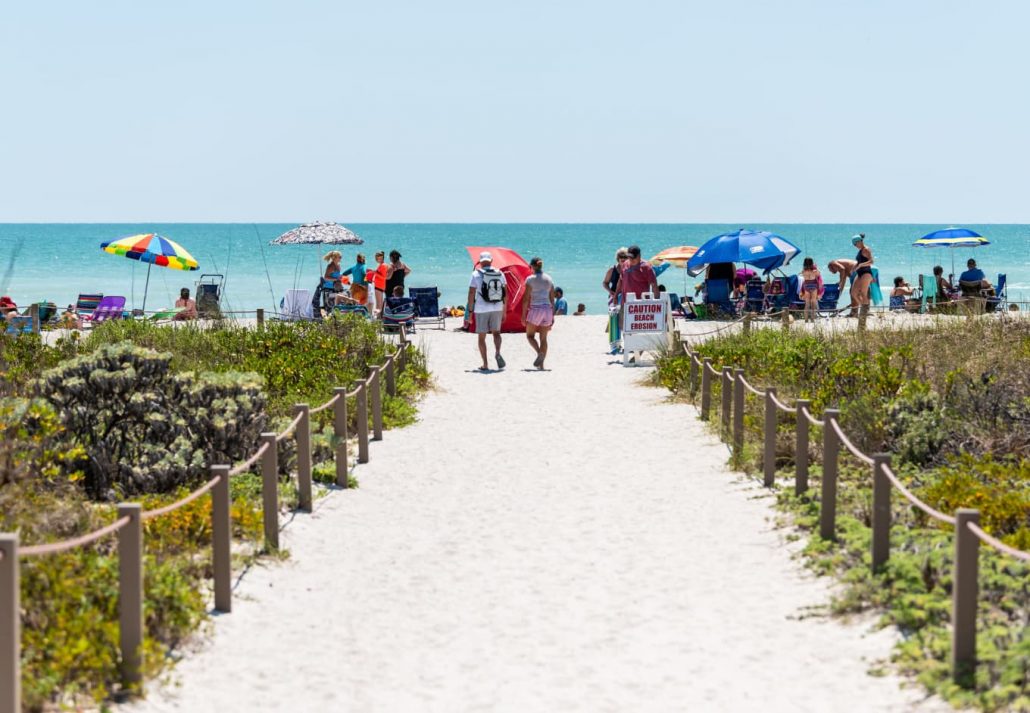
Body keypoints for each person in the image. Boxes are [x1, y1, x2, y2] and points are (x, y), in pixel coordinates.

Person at [467, 251, 508, 371]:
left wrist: (470, 312)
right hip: (497, 307)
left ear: (480, 262)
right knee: (496, 333)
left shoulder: (475, 274)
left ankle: (485, 364)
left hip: (481, 308)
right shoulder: (500, 273)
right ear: (491, 261)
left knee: (481, 337)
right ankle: (497, 352)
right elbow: (505, 293)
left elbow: (471, 293)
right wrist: (504, 310)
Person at [521, 256, 556, 369]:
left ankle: (539, 353)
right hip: (547, 310)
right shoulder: (549, 279)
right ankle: (541, 365)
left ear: (533, 266)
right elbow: (552, 298)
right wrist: (552, 315)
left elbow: (526, 299)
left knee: (530, 336)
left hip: (536, 309)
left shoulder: (530, 279)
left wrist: (523, 315)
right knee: (543, 339)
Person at [850, 234, 874, 318]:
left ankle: (865, 311)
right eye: (854, 245)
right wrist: (855, 266)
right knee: (854, 293)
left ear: (860, 241)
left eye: (855, 244)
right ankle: (864, 308)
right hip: (859, 273)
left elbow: (871, 261)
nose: (855, 246)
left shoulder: (866, 249)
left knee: (863, 293)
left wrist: (861, 265)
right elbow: (859, 261)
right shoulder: (860, 251)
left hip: (866, 273)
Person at [799, 257, 824, 322]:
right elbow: (819, 274)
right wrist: (816, 267)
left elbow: (801, 275)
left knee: (807, 304)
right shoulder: (815, 271)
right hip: (814, 286)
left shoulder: (803, 271)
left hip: (806, 286)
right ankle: (812, 319)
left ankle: (806, 320)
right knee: (813, 303)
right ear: (812, 263)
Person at [372, 251, 390, 316]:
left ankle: (378, 319)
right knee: (380, 303)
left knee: (378, 304)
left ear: (383, 258)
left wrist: (375, 272)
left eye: (380, 258)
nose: (378, 260)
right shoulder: (381, 265)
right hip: (379, 285)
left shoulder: (383, 265)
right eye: (377, 258)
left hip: (379, 286)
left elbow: (383, 277)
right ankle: (380, 317)